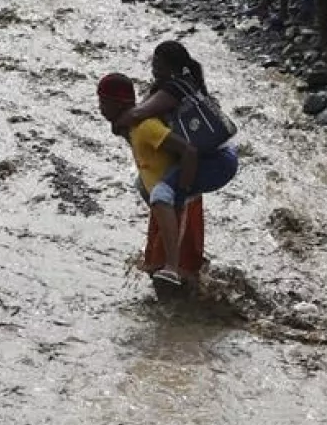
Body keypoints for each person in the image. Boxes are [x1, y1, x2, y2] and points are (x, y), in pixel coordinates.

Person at [98, 71, 236, 291]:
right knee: (157, 266)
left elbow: (187, 150)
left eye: (102, 102)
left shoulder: (145, 127)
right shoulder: (131, 127)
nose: (100, 108)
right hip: (165, 203)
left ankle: (185, 298)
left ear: (115, 104)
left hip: (177, 202)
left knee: (180, 271)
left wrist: (181, 193)